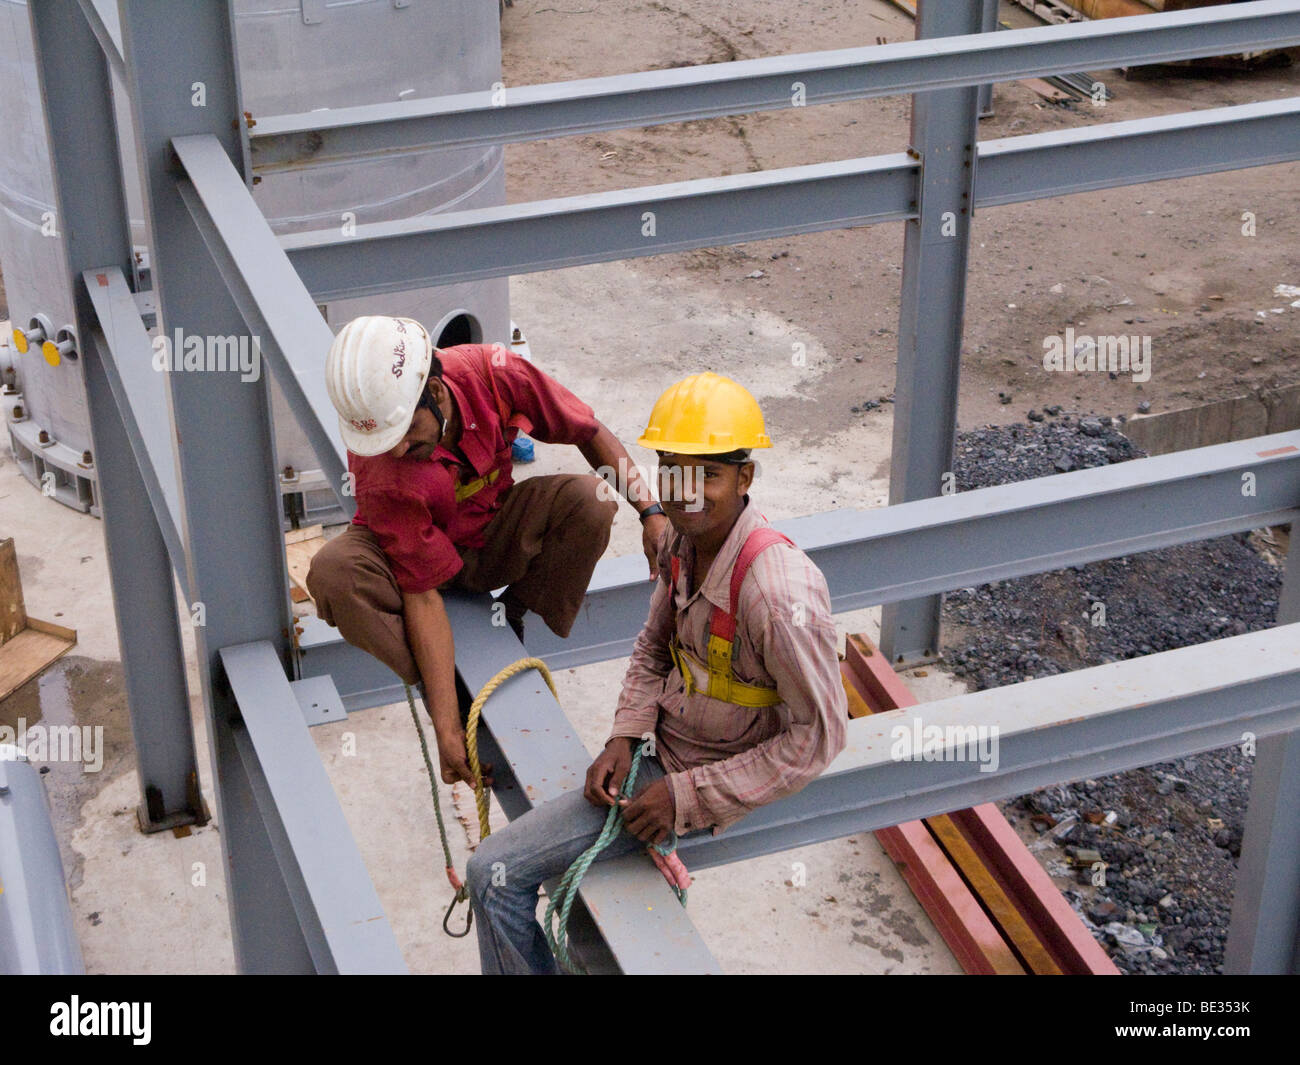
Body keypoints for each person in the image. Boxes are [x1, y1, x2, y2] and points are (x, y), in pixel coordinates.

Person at [465, 371, 848, 974]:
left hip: (713, 771)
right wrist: (625, 733)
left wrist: (684, 797)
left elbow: (819, 735)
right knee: (510, 877)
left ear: (745, 478)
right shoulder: (680, 542)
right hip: (665, 754)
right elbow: (651, 648)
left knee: (492, 875)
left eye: (709, 474)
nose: (686, 490)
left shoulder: (774, 594)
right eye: (672, 470)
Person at [307, 315, 668, 789]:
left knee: (588, 501)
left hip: (490, 531)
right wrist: (448, 725)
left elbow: (586, 430)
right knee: (334, 575)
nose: (395, 451)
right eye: (384, 441)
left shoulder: (495, 375)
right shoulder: (381, 467)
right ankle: (449, 685)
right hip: (409, 562)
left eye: (404, 433)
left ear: (435, 394)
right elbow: (422, 594)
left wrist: (651, 511)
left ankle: (513, 616)